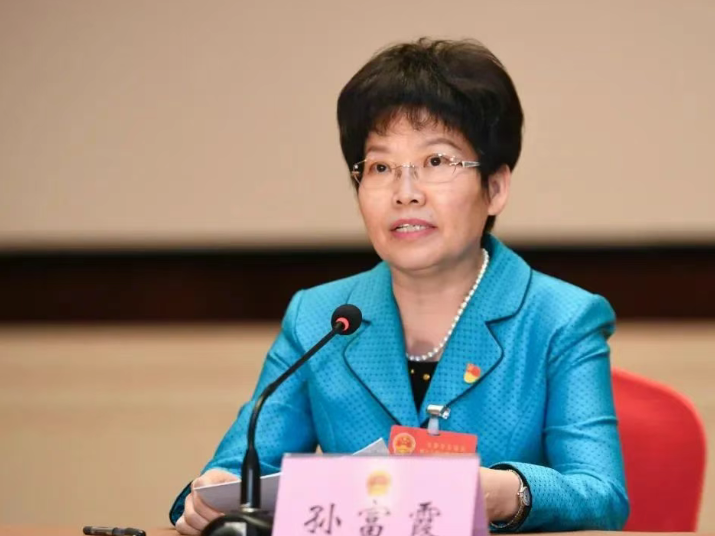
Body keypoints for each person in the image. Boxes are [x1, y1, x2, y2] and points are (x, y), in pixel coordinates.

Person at [171, 38, 629, 534]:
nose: (405, 193)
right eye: (381, 167)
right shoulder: (320, 317)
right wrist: (210, 495)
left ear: (495, 188)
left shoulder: (561, 317)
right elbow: (232, 476)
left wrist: (507, 494)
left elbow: (602, 495)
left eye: (436, 162)